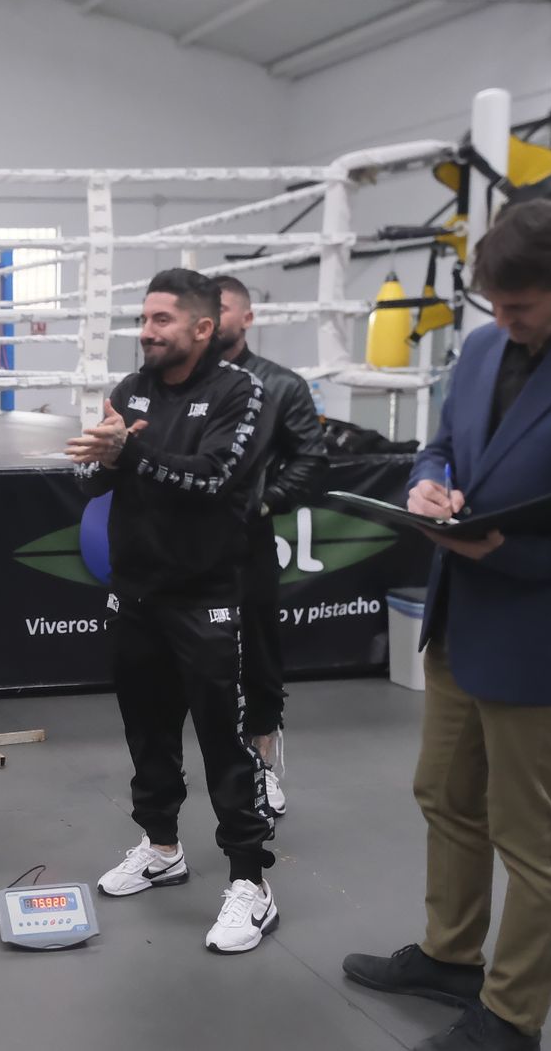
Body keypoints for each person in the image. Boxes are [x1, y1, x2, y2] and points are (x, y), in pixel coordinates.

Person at [342, 200, 551, 1050]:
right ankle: (450, 955)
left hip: (541, 635)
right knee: (445, 796)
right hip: (458, 616)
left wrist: (508, 551)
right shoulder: (482, 345)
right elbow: (442, 441)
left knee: (532, 838)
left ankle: (513, 1017)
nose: (505, 323)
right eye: (495, 305)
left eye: (521, 308)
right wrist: (425, 486)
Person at [68, 268, 278, 954]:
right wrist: (100, 458)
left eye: (161, 320)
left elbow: (215, 478)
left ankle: (251, 883)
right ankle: (161, 848)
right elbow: (101, 481)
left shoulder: (241, 392)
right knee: (148, 734)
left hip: (211, 598)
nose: (146, 331)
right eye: (144, 318)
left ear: (202, 327)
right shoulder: (131, 391)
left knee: (225, 744)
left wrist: (132, 451)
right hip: (137, 596)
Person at [213, 274, 328, 815]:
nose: (212, 317)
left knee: (257, 650)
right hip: (177, 548)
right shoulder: (176, 383)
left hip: (246, 540)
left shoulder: (281, 385)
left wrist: (265, 500)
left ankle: (261, 766)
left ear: (247, 318)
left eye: (224, 307)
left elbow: (312, 460)